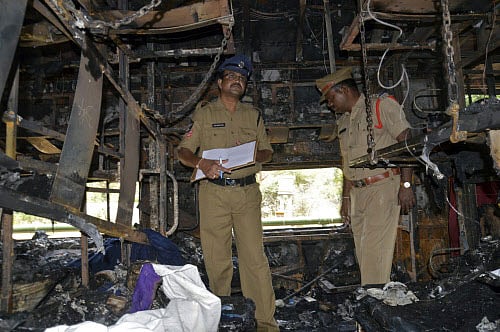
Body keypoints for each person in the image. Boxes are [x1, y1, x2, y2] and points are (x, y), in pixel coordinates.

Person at [177, 54, 279, 331]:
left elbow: (268, 151)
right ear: (220, 82)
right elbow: (183, 151)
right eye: (232, 77)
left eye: (242, 79)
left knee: (254, 259)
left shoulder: (253, 115)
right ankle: (222, 320)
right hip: (214, 193)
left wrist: (258, 154)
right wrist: (201, 162)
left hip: (247, 193)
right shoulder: (204, 113)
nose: (237, 81)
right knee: (217, 259)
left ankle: (265, 324)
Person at [316, 67, 416, 286]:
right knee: (364, 254)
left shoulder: (381, 106)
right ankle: (372, 300)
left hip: (382, 187)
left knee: (374, 253)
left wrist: (407, 184)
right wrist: (345, 198)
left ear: (343, 89)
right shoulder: (344, 121)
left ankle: (374, 303)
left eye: (331, 98)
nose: (330, 104)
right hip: (357, 193)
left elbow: (407, 143)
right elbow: (347, 164)